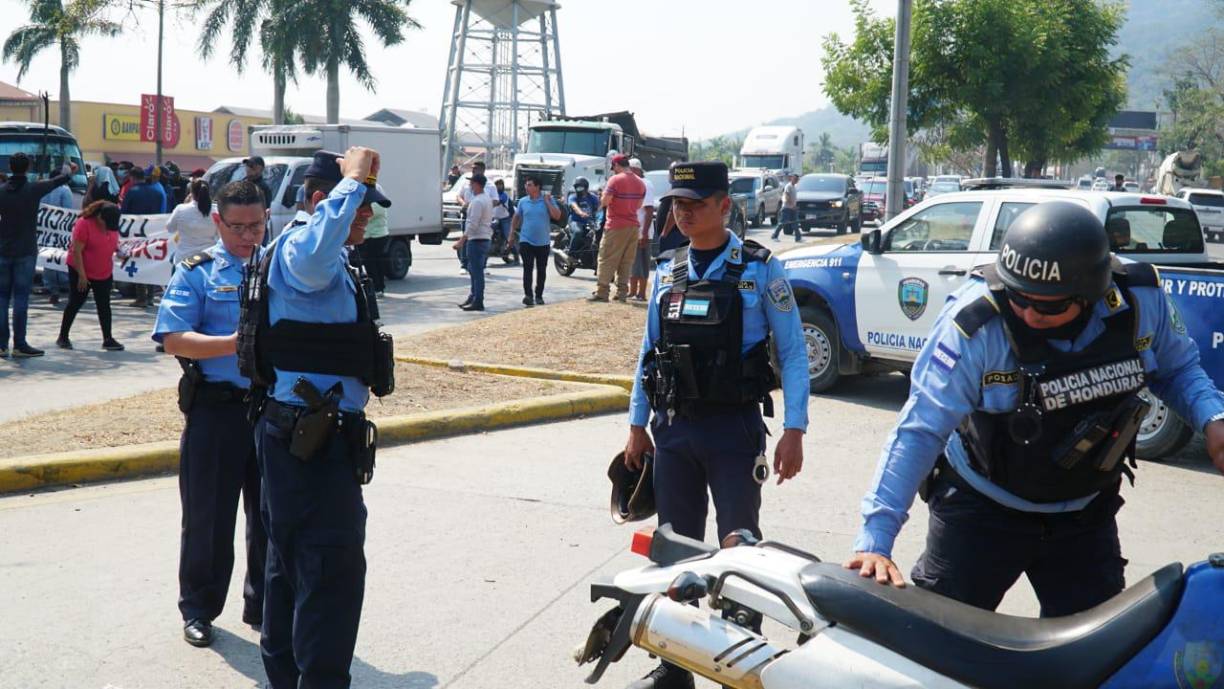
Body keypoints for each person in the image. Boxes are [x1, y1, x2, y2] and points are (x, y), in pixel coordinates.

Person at [845, 201, 1224, 619]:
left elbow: (1178, 369)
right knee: (938, 651)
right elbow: (920, 429)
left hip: (1084, 516)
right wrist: (874, 540)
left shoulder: (1139, 300)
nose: (1028, 312)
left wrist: (1212, 418)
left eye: (1047, 306)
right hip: (980, 512)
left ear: (1090, 293)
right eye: (1019, 297)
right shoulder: (975, 325)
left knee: (1096, 660)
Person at [621, 161, 809, 689]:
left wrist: (795, 428)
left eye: (695, 204)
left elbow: (792, 353)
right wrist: (637, 424)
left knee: (739, 553)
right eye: (677, 204)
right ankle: (675, 668)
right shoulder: (668, 267)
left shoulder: (760, 268)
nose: (683, 213)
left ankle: (737, 669)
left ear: (725, 206)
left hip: (734, 431)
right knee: (675, 551)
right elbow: (648, 351)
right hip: (675, 429)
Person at [243, 148, 391, 688]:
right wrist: (351, 182)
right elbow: (317, 248)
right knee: (329, 571)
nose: (366, 216)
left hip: (309, 435)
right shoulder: (307, 249)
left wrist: (353, 190)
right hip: (311, 439)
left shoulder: (328, 257)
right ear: (318, 201)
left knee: (292, 567)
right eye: (358, 206)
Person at [152, 181, 268, 648]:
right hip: (216, 412)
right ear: (217, 222)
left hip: (269, 410)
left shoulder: (280, 268)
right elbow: (174, 339)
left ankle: (264, 605)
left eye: (257, 225)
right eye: (238, 226)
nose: (248, 235)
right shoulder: (196, 272)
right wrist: (237, 343)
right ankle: (199, 608)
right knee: (208, 518)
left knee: (270, 516)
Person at [0, 152, 76, 358]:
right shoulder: (33, 189)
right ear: (27, 167)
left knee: (2, 298)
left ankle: (1, 344)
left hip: (3, 250)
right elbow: (59, 180)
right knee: (21, 298)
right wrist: (69, 169)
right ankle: (20, 343)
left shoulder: (2, 192)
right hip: (25, 250)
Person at [56, 200, 124, 351]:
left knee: (104, 304)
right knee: (75, 302)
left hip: (103, 270)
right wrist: (82, 275)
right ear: (99, 217)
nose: (108, 227)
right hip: (81, 269)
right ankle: (63, 336)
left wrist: (119, 251)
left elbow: (112, 241)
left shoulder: (111, 223)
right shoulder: (84, 224)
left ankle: (108, 338)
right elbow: (77, 251)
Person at [591, 154, 646, 302]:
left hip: (616, 225)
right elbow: (639, 205)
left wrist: (602, 196)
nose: (613, 170)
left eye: (613, 167)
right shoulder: (640, 183)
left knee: (606, 258)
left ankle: (602, 292)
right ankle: (621, 293)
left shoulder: (615, 180)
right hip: (633, 226)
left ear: (616, 165)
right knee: (626, 261)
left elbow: (605, 201)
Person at [510, 176, 561, 307]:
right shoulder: (523, 201)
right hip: (526, 240)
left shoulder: (548, 200)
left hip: (543, 241)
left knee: (541, 270)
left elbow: (557, 215)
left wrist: (548, 202)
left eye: (530, 185)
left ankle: (539, 295)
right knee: (527, 268)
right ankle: (528, 295)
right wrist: (511, 234)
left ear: (538, 187)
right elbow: (516, 217)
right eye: (526, 185)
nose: (527, 187)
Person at [455, 173, 493, 311]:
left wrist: (461, 240)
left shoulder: (478, 201)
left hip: (477, 239)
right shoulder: (485, 198)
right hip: (483, 238)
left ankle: (478, 300)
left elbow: (472, 224)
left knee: (476, 271)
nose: (470, 186)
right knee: (473, 269)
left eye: (472, 183)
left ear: (477, 184)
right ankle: (473, 296)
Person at [627, 159, 657, 301]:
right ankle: (632, 291)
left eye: (630, 169)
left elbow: (649, 209)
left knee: (642, 263)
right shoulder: (633, 183)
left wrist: (644, 233)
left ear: (637, 170)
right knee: (633, 262)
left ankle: (642, 293)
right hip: (633, 230)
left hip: (643, 231)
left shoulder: (645, 184)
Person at [167, 180, 219, 262]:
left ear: (191, 193)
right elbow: (220, 235)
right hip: (208, 258)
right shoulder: (216, 211)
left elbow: (170, 229)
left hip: (183, 258)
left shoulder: (180, 209)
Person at [356, 190, 390, 296]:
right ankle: (378, 287)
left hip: (375, 235)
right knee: (374, 263)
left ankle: (377, 288)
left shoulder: (374, 191)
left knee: (372, 263)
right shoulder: (376, 189)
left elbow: (372, 213)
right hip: (372, 235)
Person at [565, 176, 599, 255]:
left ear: (586, 187)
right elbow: (574, 206)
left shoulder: (593, 197)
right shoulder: (573, 197)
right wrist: (581, 213)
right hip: (575, 221)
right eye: (576, 187)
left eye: (580, 187)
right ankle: (571, 253)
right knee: (578, 232)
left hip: (589, 222)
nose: (578, 189)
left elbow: (599, 207)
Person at [772, 173, 800, 242]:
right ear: (791, 179)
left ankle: (798, 237)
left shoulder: (794, 187)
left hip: (793, 208)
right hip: (786, 208)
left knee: (795, 223)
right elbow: (786, 196)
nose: (796, 180)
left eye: (797, 179)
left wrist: (794, 206)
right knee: (782, 223)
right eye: (795, 179)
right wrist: (792, 205)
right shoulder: (788, 186)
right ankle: (774, 235)